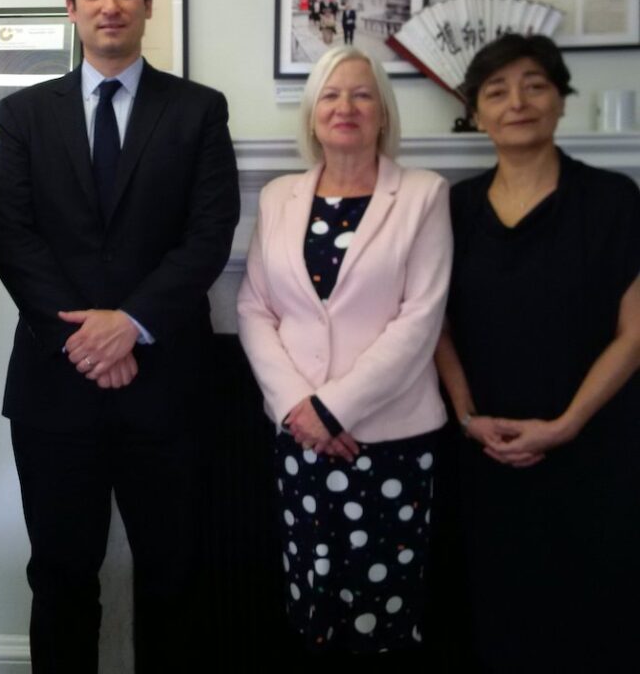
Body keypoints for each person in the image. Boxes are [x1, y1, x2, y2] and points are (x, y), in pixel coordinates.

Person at [0, 0, 239, 674]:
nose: (110, 5)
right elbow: (13, 236)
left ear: (148, 6)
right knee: (61, 578)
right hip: (54, 392)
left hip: (168, 389)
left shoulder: (197, 111)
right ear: (71, 8)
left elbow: (208, 233)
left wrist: (129, 325)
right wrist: (85, 338)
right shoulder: (26, 113)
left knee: (174, 577)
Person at [237, 47, 451, 671]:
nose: (345, 107)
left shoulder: (423, 195)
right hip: (299, 437)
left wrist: (335, 409)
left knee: (384, 608)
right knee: (314, 599)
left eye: (361, 95)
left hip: (391, 441)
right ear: (311, 115)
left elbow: (420, 319)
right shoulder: (279, 197)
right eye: (330, 95)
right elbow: (254, 307)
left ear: (383, 112)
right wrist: (299, 408)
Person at [435, 34, 640, 673]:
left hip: (594, 450)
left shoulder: (614, 200)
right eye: (496, 91)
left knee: (595, 620)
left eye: (535, 85)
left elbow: (634, 334)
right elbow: (432, 323)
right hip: (483, 455)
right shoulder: (452, 207)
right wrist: (468, 417)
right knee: (491, 619)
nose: (517, 102)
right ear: (476, 112)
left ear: (559, 101)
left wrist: (566, 425)